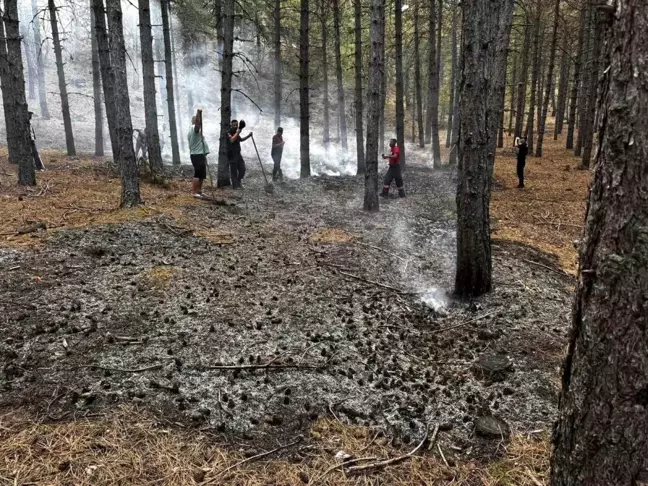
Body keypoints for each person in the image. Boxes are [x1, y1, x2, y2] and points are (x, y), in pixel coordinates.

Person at [188, 109, 210, 198]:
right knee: (198, 173)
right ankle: (195, 192)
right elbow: (197, 124)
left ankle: (199, 191)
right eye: (199, 121)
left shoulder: (196, 131)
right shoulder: (194, 128)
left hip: (200, 154)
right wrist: (198, 113)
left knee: (202, 174)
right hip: (196, 155)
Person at [227, 119, 252, 189]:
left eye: (236, 125)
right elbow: (232, 140)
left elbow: (240, 140)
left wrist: (249, 136)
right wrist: (238, 132)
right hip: (231, 155)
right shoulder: (228, 132)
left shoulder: (236, 132)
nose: (235, 126)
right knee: (234, 171)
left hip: (238, 154)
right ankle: (235, 186)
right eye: (234, 125)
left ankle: (238, 181)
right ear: (231, 125)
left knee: (242, 169)